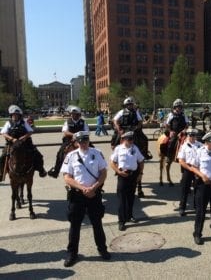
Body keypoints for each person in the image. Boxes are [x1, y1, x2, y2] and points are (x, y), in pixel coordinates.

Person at [60, 131, 110, 267]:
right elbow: (67, 177)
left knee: (97, 223)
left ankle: (102, 249)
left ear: (88, 140)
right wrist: (83, 189)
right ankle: (72, 254)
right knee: (75, 226)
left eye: (85, 140)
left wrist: (94, 187)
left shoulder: (97, 153)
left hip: (94, 194)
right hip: (77, 195)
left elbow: (103, 173)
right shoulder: (70, 156)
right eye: (80, 141)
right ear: (76, 142)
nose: (83, 143)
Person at [0, 105, 47, 180]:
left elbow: (30, 131)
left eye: (17, 115)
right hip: (12, 144)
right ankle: (1, 172)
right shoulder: (8, 123)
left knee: (38, 155)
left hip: (25, 144)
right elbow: (3, 133)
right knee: (3, 156)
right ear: (11, 115)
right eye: (14, 115)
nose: (15, 116)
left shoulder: (24, 122)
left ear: (19, 115)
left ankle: (41, 170)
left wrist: (24, 137)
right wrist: (11, 139)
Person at [110, 131, 144, 231]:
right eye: (129, 139)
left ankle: (129, 216)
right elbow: (112, 162)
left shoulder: (135, 148)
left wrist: (140, 174)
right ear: (124, 139)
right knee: (121, 200)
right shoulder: (118, 149)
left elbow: (141, 161)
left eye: (132, 139)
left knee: (131, 198)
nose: (131, 141)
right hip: (122, 176)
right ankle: (121, 221)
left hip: (133, 176)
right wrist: (118, 172)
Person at [48, 106, 89, 178]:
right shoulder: (67, 122)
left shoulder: (83, 122)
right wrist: (74, 135)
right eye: (72, 114)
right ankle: (56, 171)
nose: (73, 115)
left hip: (82, 139)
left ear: (79, 115)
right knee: (60, 152)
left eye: (75, 114)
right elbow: (65, 132)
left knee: (92, 148)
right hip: (69, 140)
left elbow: (87, 132)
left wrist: (78, 136)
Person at [176, 127, 202, 217]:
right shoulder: (184, 146)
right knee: (185, 189)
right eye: (190, 135)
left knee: (198, 189)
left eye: (194, 135)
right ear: (188, 136)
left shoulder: (200, 145)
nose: (192, 137)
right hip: (188, 169)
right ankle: (182, 208)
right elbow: (181, 160)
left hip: (198, 170)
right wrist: (189, 168)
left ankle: (197, 206)